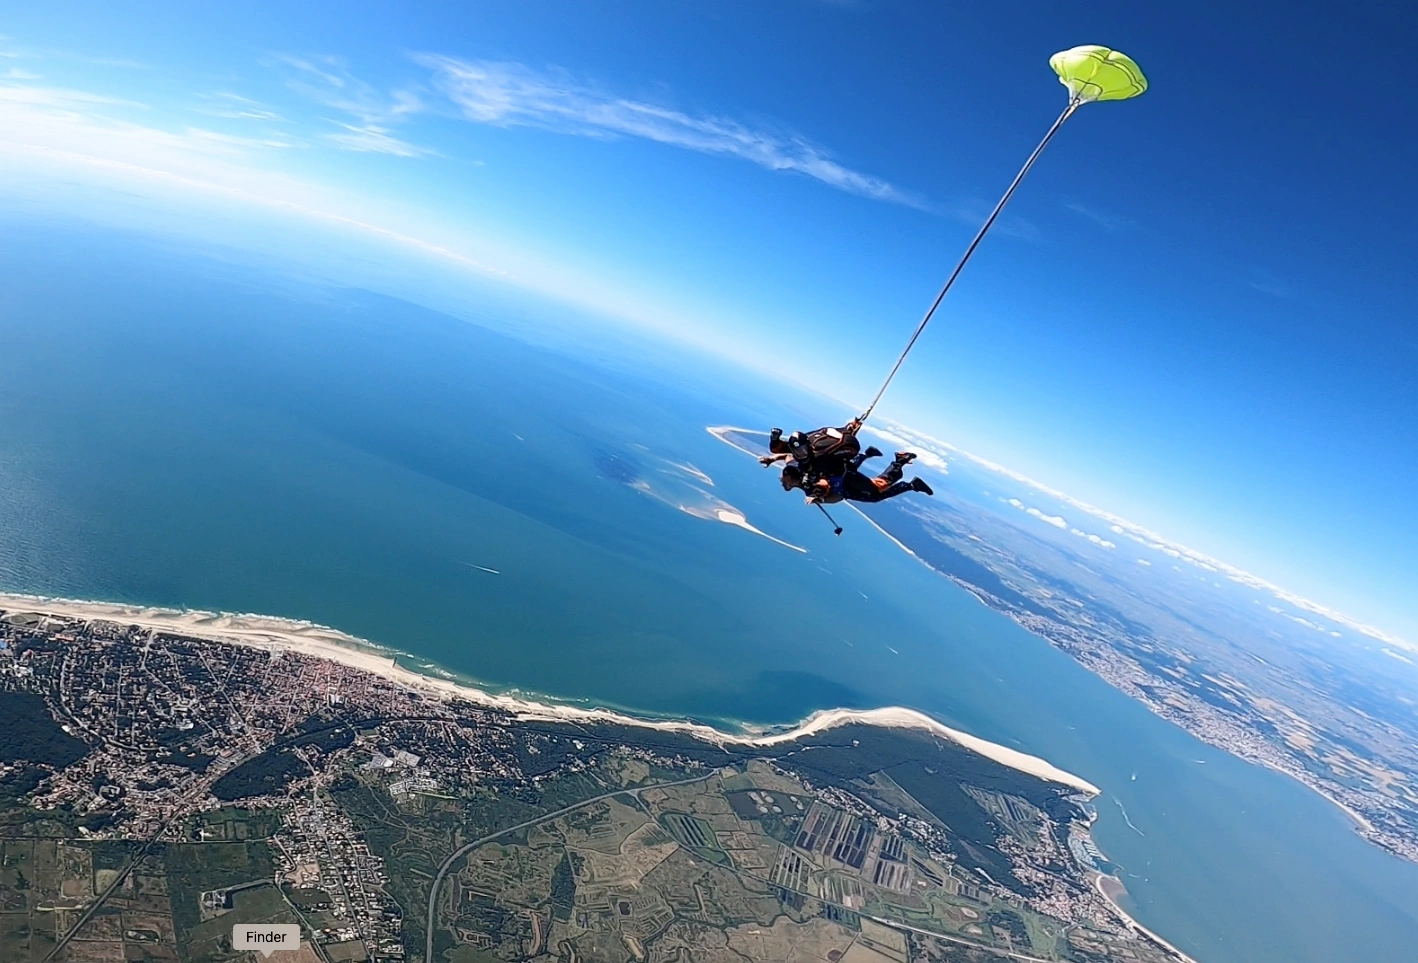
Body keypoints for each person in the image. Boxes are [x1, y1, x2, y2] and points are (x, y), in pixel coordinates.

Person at [779, 450, 932, 504]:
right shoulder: (797, 469)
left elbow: (824, 484)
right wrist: (772, 459)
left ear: (793, 479)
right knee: (874, 491)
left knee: (876, 491)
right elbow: (787, 457)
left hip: (844, 481)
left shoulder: (809, 481)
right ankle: (899, 464)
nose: (782, 483)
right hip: (843, 480)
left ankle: (904, 468)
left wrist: (817, 496)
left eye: (784, 482)